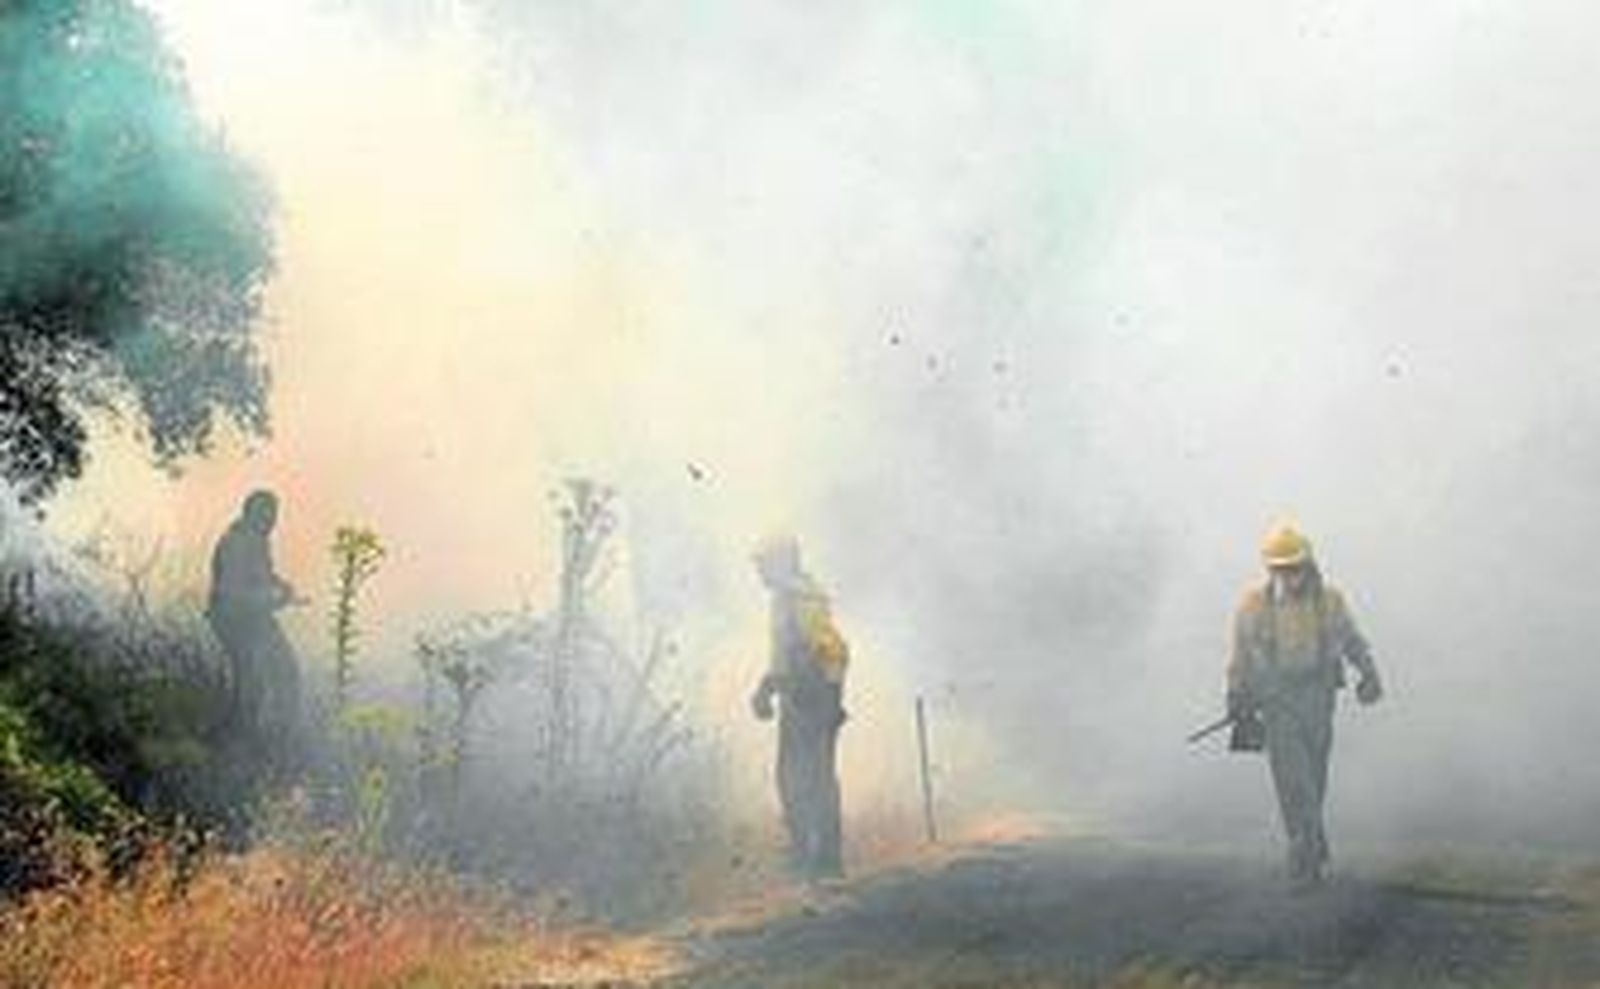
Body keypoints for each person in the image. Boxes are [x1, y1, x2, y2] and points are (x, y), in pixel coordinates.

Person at [1227, 521, 1383, 888]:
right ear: (1270, 570)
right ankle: (1304, 859)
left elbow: (1352, 641)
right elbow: (1239, 657)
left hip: (1318, 698)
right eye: (1280, 569)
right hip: (1277, 702)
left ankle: (1311, 842)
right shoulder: (1252, 605)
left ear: (1309, 565)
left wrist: (1370, 675)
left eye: (1294, 568)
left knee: (1315, 777)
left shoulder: (1330, 601)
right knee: (1293, 781)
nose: (1288, 576)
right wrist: (1236, 697)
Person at [750, 536, 849, 880]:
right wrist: (766, 689)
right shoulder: (784, 598)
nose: (758, 571)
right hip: (799, 697)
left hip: (813, 698)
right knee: (795, 777)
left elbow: (834, 650)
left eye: (763, 563)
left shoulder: (801, 597)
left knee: (813, 778)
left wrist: (832, 700)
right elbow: (785, 659)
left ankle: (825, 861)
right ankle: (810, 857)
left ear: (783, 561)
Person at [207, 489, 304, 774]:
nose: (273, 523)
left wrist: (282, 586)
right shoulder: (235, 543)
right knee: (253, 685)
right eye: (268, 516)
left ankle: (263, 742)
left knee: (284, 674)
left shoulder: (257, 538)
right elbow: (233, 594)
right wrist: (275, 600)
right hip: (233, 620)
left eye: (275, 516)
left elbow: (263, 574)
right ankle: (236, 747)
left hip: (254, 618)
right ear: (252, 514)